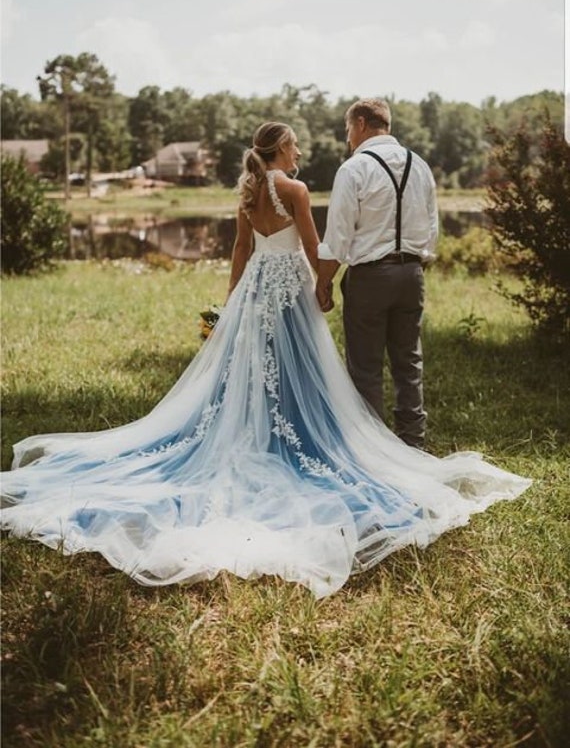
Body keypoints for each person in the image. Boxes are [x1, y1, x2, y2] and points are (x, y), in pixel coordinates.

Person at [0, 122, 530, 599]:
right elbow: (312, 243)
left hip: (255, 289)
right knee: (299, 368)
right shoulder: (295, 190)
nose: (300, 150)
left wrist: (230, 306)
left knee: (254, 369)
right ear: (280, 149)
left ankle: (262, 427)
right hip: (289, 287)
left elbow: (239, 251)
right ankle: (306, 436)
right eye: (295, 143)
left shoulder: (250, 191)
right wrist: (321, 287)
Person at [317, 98, 437, 449]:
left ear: (361, 123)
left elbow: (338, 238)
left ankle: (374, 451)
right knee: (408, 363)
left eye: (347, 130)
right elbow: (432, 230)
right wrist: (414, 263)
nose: (347, 138)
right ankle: (412, 445)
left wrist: (323, 283)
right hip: (412, 274)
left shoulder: (353, 169)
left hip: (370, 277)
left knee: (365, 369)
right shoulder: (421, 166)